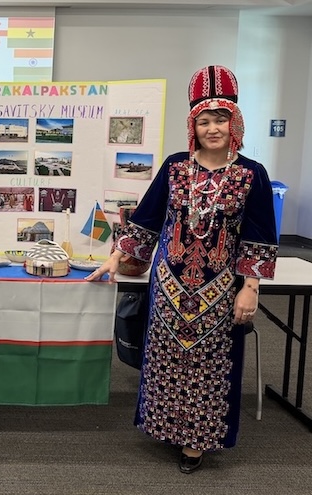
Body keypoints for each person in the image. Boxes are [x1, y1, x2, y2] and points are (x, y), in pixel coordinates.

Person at [86, 66, 278, 474]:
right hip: (169, 286)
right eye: (204, 121)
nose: (213, 128)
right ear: (193, 125)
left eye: (220, 119)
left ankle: (198, 442)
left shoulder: (251, 174)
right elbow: (147, 220)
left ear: (234, 123)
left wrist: (251, 287)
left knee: (210, 365)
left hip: (221, 287)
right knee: (167, 360)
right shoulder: (175, 167)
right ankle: (166, 428)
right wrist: (117, 257)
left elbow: (260, 236)